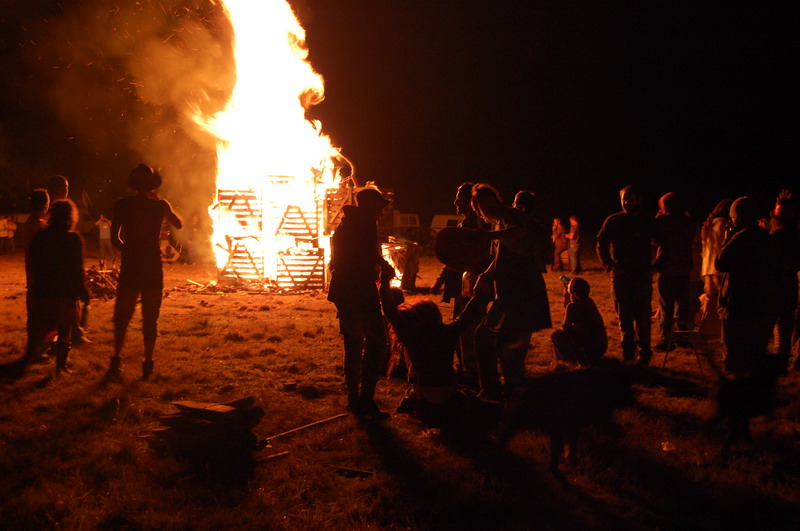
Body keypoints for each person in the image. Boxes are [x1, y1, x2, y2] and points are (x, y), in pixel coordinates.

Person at [380, 263, 490, 424]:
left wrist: (384, 281)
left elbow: (390, 310)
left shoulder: (410, 335)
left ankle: (419, 405)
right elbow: (467, 315)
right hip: (447, 393)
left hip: (422, 396)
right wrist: (478, 292)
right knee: (470, 395)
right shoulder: (448, 332)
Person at [472, 183, 551, 400]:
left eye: (490, 200)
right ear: (478, 208)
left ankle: (500, 391)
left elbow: (517, 233)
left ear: (496, 199)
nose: (488, 206)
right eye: (482, 204)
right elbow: (500, 257)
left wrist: (488, 237)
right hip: (508, 290)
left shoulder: (511, 215)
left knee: (498, 340)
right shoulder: (498, 223)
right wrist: (486, 275)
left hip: (522, 288)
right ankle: (500, 389)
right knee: (497, 340)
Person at [108, 164, 182, 381]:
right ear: (152, 186)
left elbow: (115, 238)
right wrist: (164, 204)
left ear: (133, 184)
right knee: (151, 318)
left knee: (122, 315)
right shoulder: (159, 206)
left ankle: (116, 360)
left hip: (131, 265)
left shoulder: (121, 204)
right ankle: (147, 364)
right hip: (151, 266)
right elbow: (179, 224)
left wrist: (130, 250)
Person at [327, 187, 393, 418]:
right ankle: (365, 399)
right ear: (369, 204)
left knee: (353, 343)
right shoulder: (363, 222)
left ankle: (354, 398)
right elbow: (365, 251)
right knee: (377, 341)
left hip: (345, 289)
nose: (382, 212)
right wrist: (384, 266)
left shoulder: (348, 222)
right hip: (358, 289)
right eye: (380, 206)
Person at [596, 185, 667, 365]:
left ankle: (644, 354)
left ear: (638, 200)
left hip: (642, 276)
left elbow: (665, 243)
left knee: (643, 317)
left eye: (630, 199)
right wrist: (609, 265)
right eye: (624, 199)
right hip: (620, 276)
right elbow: (601, 244)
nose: (626, 203)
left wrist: (656, 266)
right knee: (624, 317)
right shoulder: (613, 221)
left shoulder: (647, 221)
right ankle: (628, 353)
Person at [715, 196, 777, 378]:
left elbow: (721, 263)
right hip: (760, 302)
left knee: (734, 351)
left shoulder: (740, 239)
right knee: (755, 350)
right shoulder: (767, 238)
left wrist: (727, 239)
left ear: (738, 217)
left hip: (737, 302)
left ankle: (736, 393)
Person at [27, 199, 89, 375]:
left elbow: (34, 262)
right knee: (64, 330)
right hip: (65, 292)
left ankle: (38, 353)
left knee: (48, 326)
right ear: (71, 217)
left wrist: (38, 284)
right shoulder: (73, 238)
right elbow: (78, 268)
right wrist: (83, 291)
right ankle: (61, 366)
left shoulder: (41, 236)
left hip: (45, 289)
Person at [654, 193, 698, 351]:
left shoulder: (662, 221)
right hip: (684, 268)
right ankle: (682, 337)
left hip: (666, 268)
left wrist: (658, 217)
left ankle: (666, 339)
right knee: (682, 306)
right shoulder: (688, 221)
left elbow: (653, 240)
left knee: (666, 307)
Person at [768, 190, 799, 371]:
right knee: (783, 321)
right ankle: (780, 357)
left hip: (779, 282)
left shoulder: (780, 236)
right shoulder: (787, 235)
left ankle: (779, 357)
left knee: (781, 320)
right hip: (784, 282)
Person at [551, 277, 607, 366]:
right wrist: (567, 295)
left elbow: (566, 327)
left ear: (573, 292)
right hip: (600, 348)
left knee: (556, 335)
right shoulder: (589, 302)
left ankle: (567, 361)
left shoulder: (573, 306)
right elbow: (571, 308)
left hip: (587, 350)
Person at [699, 198, 733, 341]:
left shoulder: (709, 225)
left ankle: (706, 329)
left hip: (708, 268)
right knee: (723, 301)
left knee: (711, 298)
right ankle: (719, 332)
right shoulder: (724, 225)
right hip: (719, 268)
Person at [21, 189, 50, 362]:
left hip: (32, 275)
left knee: (34, 317)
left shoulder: (29, 222)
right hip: (40, 277)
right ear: (45, 204)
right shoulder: (39, 224)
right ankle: (37, 352)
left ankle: (34, 350)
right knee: (41, 316)